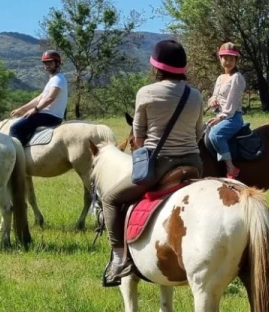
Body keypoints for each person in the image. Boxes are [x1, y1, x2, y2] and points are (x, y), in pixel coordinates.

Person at [100, 40, 204, 287]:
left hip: (159, 167)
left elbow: (138, 137)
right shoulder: (196, 95)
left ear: (157, 68)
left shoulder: (145, 93)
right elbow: (199, 134)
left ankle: (118, 258)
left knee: (110, 199)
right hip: (194, 164)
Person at [9, 50, 68, 145]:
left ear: (57, 63)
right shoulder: (53, 79)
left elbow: (50, 98)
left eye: (50, 62)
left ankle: (16, 156)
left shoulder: (58, 79)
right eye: (45, 63)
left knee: (15, 128)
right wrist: (22, 109)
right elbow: (39, 98)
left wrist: (35, 110)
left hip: (51, 116)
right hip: (48, 115)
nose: (47, 65)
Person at [206, 42, 246, 179]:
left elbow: (232, 103)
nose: (228, 62)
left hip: (233, 117)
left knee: (215, 134)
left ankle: (231, 167)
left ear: (236, 60)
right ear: (220, 59)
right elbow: (215, 96)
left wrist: (220, 117)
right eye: (225, 58)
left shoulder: (237, 78)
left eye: (232, 59)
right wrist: (212, 101)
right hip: (221, 115)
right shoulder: (220, 78)